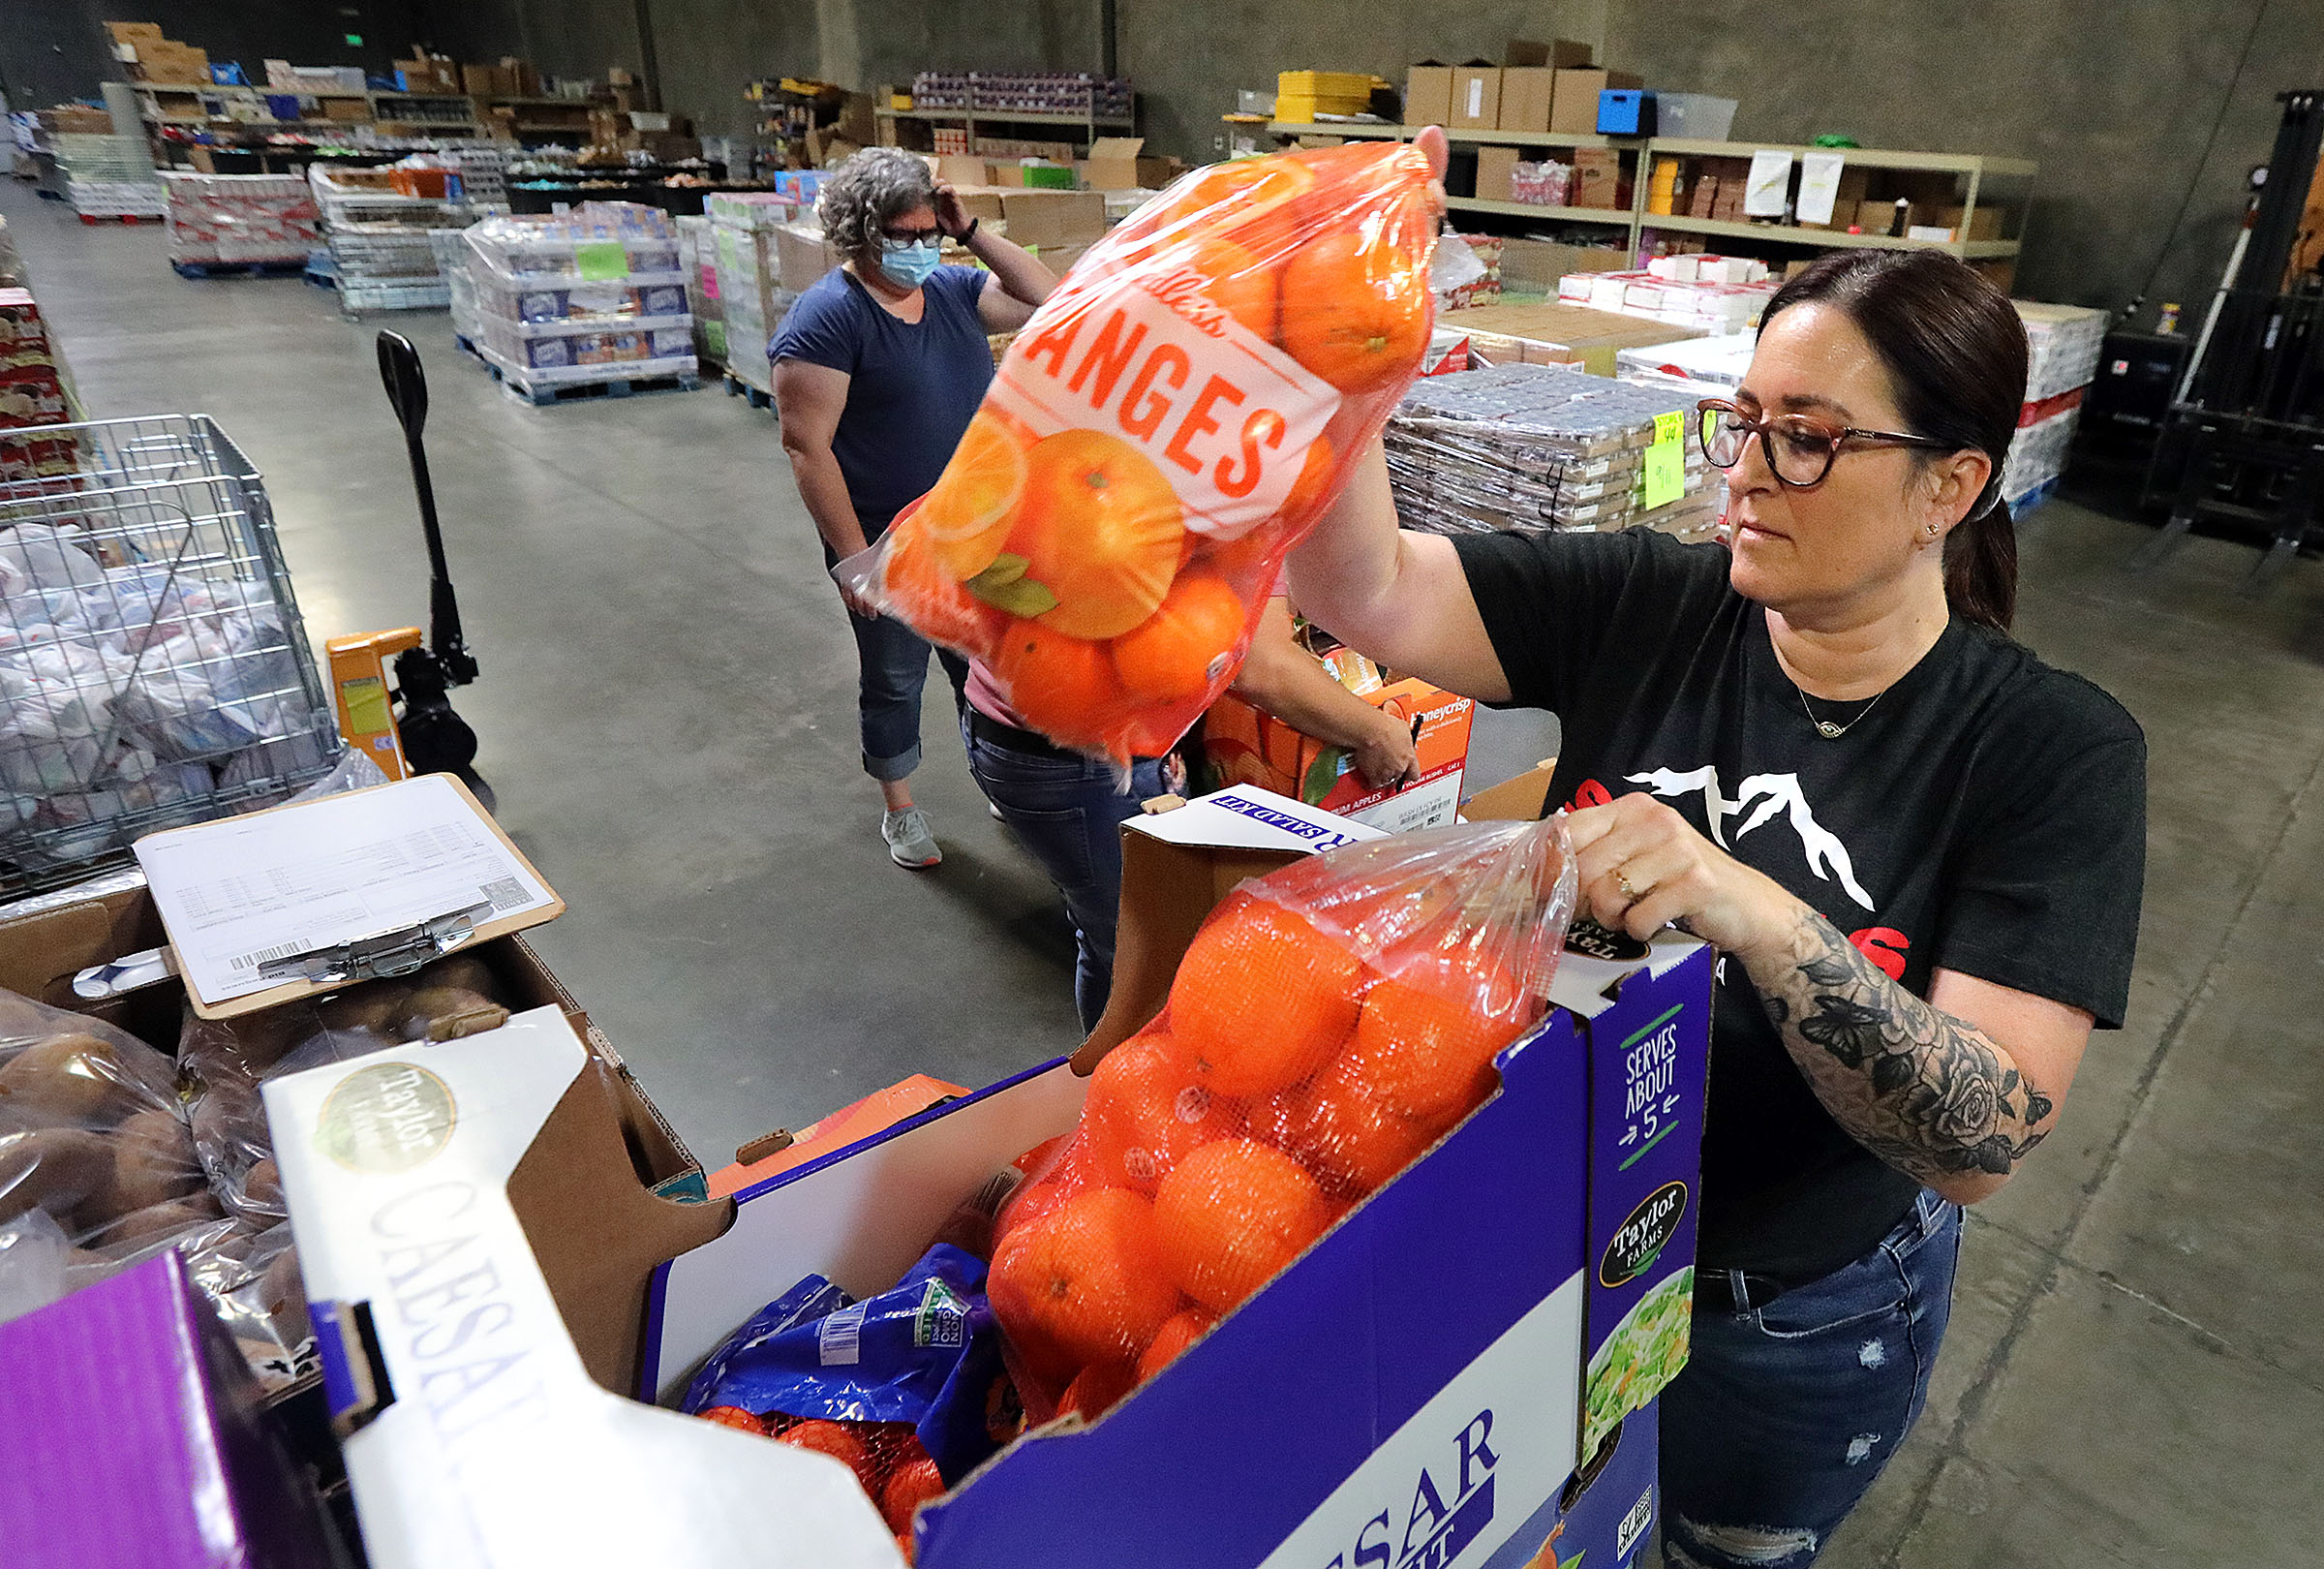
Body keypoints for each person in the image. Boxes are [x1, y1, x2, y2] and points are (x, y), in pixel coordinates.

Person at [1289, 223, 2146, 1563]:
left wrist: (1748, 907)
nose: (1745, 474)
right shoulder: (1652, 600)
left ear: (1952, 485)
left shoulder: (2047, 751)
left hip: (1788, 1311)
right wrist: (1328, 383)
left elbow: (1983, 1140)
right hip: (1562, 1240)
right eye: (1739, 421)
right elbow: (1367, 591)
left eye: (1807, 436)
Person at [774, 148, 1056, 868]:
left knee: (985, 672)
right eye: (903, 235)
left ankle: (995, 777)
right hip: (887, 544)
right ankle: (900, 810)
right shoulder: (827, 322)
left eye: (929, 230)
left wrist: (973, 232)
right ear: (861, 233)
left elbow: (1051, 299)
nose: (919, 247)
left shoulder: (957, 288)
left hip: (974, 528)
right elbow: (808, 448)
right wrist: (853, 559)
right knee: (896, 676)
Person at [963, 594, 1418, 1033]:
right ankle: (1126, 1088)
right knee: (1140, 957)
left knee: (1120, 934)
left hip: (1025, 728)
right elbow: (1260, 665)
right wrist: (1375, 732)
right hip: (1089, 763)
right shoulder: (1234, 516)